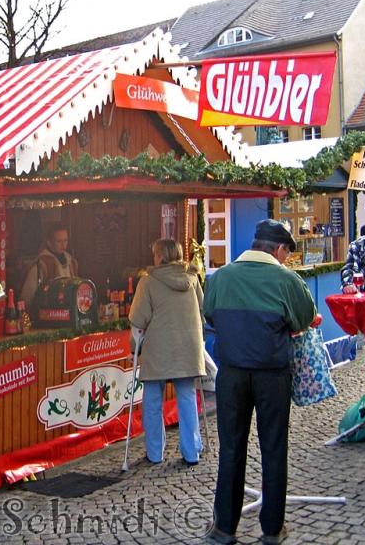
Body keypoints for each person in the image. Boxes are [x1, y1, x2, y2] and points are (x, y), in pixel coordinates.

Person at [204, 220, 317, 545]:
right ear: (279, 249)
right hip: (272, 374)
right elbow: (305, 318)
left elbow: (210, 315)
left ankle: (224, 527)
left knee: (231, 448)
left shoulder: (221, 277)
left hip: (232, 374)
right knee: (274, 447)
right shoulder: (286, 279)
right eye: (286, 253)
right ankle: (272, 529)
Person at [128, 239, 206, 466]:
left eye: (155, 254)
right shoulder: (192, 279)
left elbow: (138, 320)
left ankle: (155, 453)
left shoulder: (148, 282)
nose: (153, 258)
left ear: (161, 256)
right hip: (188, 347)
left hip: (158, 348)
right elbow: (202, 310)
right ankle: (191, 452)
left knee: (153, 399)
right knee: (187, 396)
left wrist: (134, 349)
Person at [20, 224, 79, 306]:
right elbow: (27, 295)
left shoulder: (71, 262)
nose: (63, 245)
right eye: (59, 241)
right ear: (49, 242)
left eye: (65, 240)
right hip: (50, 310)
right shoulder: (41, 264)